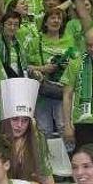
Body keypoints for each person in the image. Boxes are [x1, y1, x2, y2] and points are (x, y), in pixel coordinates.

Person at [28, 8, 76, 138]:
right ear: (45, 22)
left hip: (65, 91)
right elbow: (27, 67)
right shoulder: (35, 41)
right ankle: (44, 158)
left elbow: (77, 64)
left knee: (64, 126)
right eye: (52, 18)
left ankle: (68, 157)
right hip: (43, 90)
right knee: (43, 129)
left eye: (59, 18)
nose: (56, 21)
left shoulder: (70, 41)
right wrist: (44, 69)